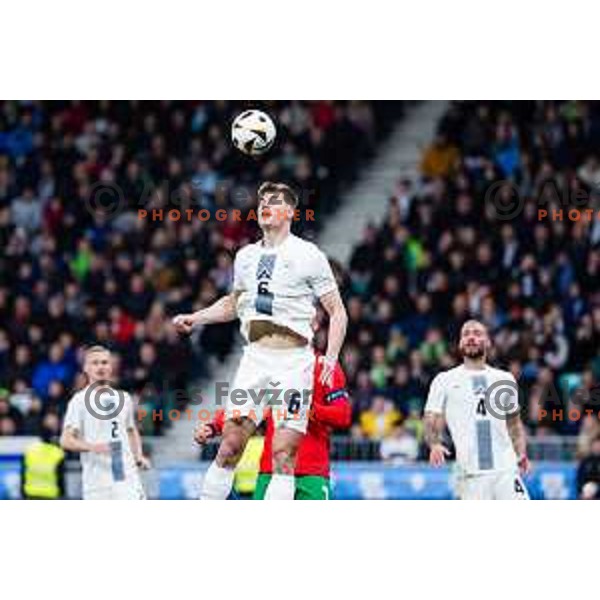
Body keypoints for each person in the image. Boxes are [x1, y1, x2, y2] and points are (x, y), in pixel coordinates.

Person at [174, 182, 347, 500]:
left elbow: (337, 311)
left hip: (294, 364)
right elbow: (232, 304)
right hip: (254, 359)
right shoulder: (245, 256)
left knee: (283, 456)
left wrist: (332, 357)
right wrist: (196, 317)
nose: (265, 205)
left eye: (274, 201)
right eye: (262, 200)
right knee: (229, 446)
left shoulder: (308, 254)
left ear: (291, 212)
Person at [196, 355, 351, 499]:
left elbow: (343, 416)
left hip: (311, 474)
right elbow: (245, 407)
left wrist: (310, 409)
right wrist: (214, 426)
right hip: (270, 473)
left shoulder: (325, 366)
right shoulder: (270, 368)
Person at [423, 320, 531, 500]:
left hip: (505, 471)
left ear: (488, 342)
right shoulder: (445, 380)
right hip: (471, 475)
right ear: (460, 343)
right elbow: (430, 418)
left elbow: (514, 423)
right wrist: (434, 443)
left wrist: (521, 452)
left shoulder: (504, 378)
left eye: (477, 333)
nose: (471, 337)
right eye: (466, 334)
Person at [60, 345, 150, 500]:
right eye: (95, 363)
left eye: (104, 362)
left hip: (124, 476)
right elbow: (66, 440)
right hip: (96, 482)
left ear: (111, 367)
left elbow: (130, 430)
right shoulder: (79, 400)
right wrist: (94, 447)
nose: (100, 367)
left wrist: (138, 456)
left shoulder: (124, 398)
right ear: (86, 368)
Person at [21, 413, 66, 500]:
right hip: (50, 494)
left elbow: (23, 474)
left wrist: (23, 492)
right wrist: (62, 494)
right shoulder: (58, 453)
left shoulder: (30, 451)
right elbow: (60, 478)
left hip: (31, 494)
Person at [576, 434, 600, 500]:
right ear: (592, 446)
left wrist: (596, 490)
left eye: (599, 445)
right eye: (596, 445)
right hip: (585, 491)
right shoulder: (586, 460)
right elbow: (580, 477)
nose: (597, 447)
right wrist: (582, 491)